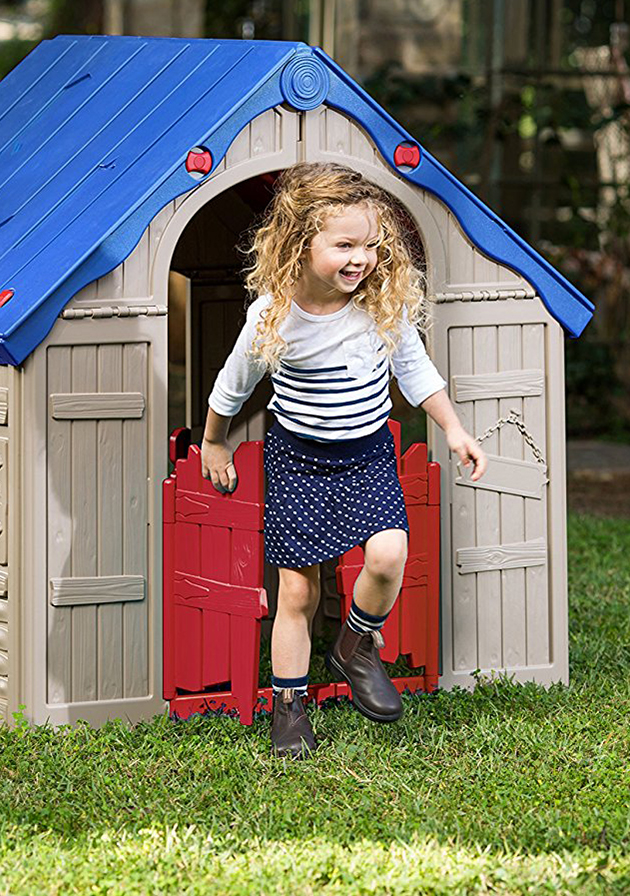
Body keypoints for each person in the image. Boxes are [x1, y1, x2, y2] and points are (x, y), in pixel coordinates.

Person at [201, 162, 487, 760]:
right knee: (297, 594)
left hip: (368, 457)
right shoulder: (275, 315)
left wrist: (455, 429)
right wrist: (214, 440)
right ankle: (289, 705)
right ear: (302, 244)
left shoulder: (383, 306)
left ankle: (356, 646)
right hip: (299, 462)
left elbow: (416, 374)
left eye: (371, 245)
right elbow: (232, 385)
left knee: (388, 556)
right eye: (344, 245)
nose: (361, 259)